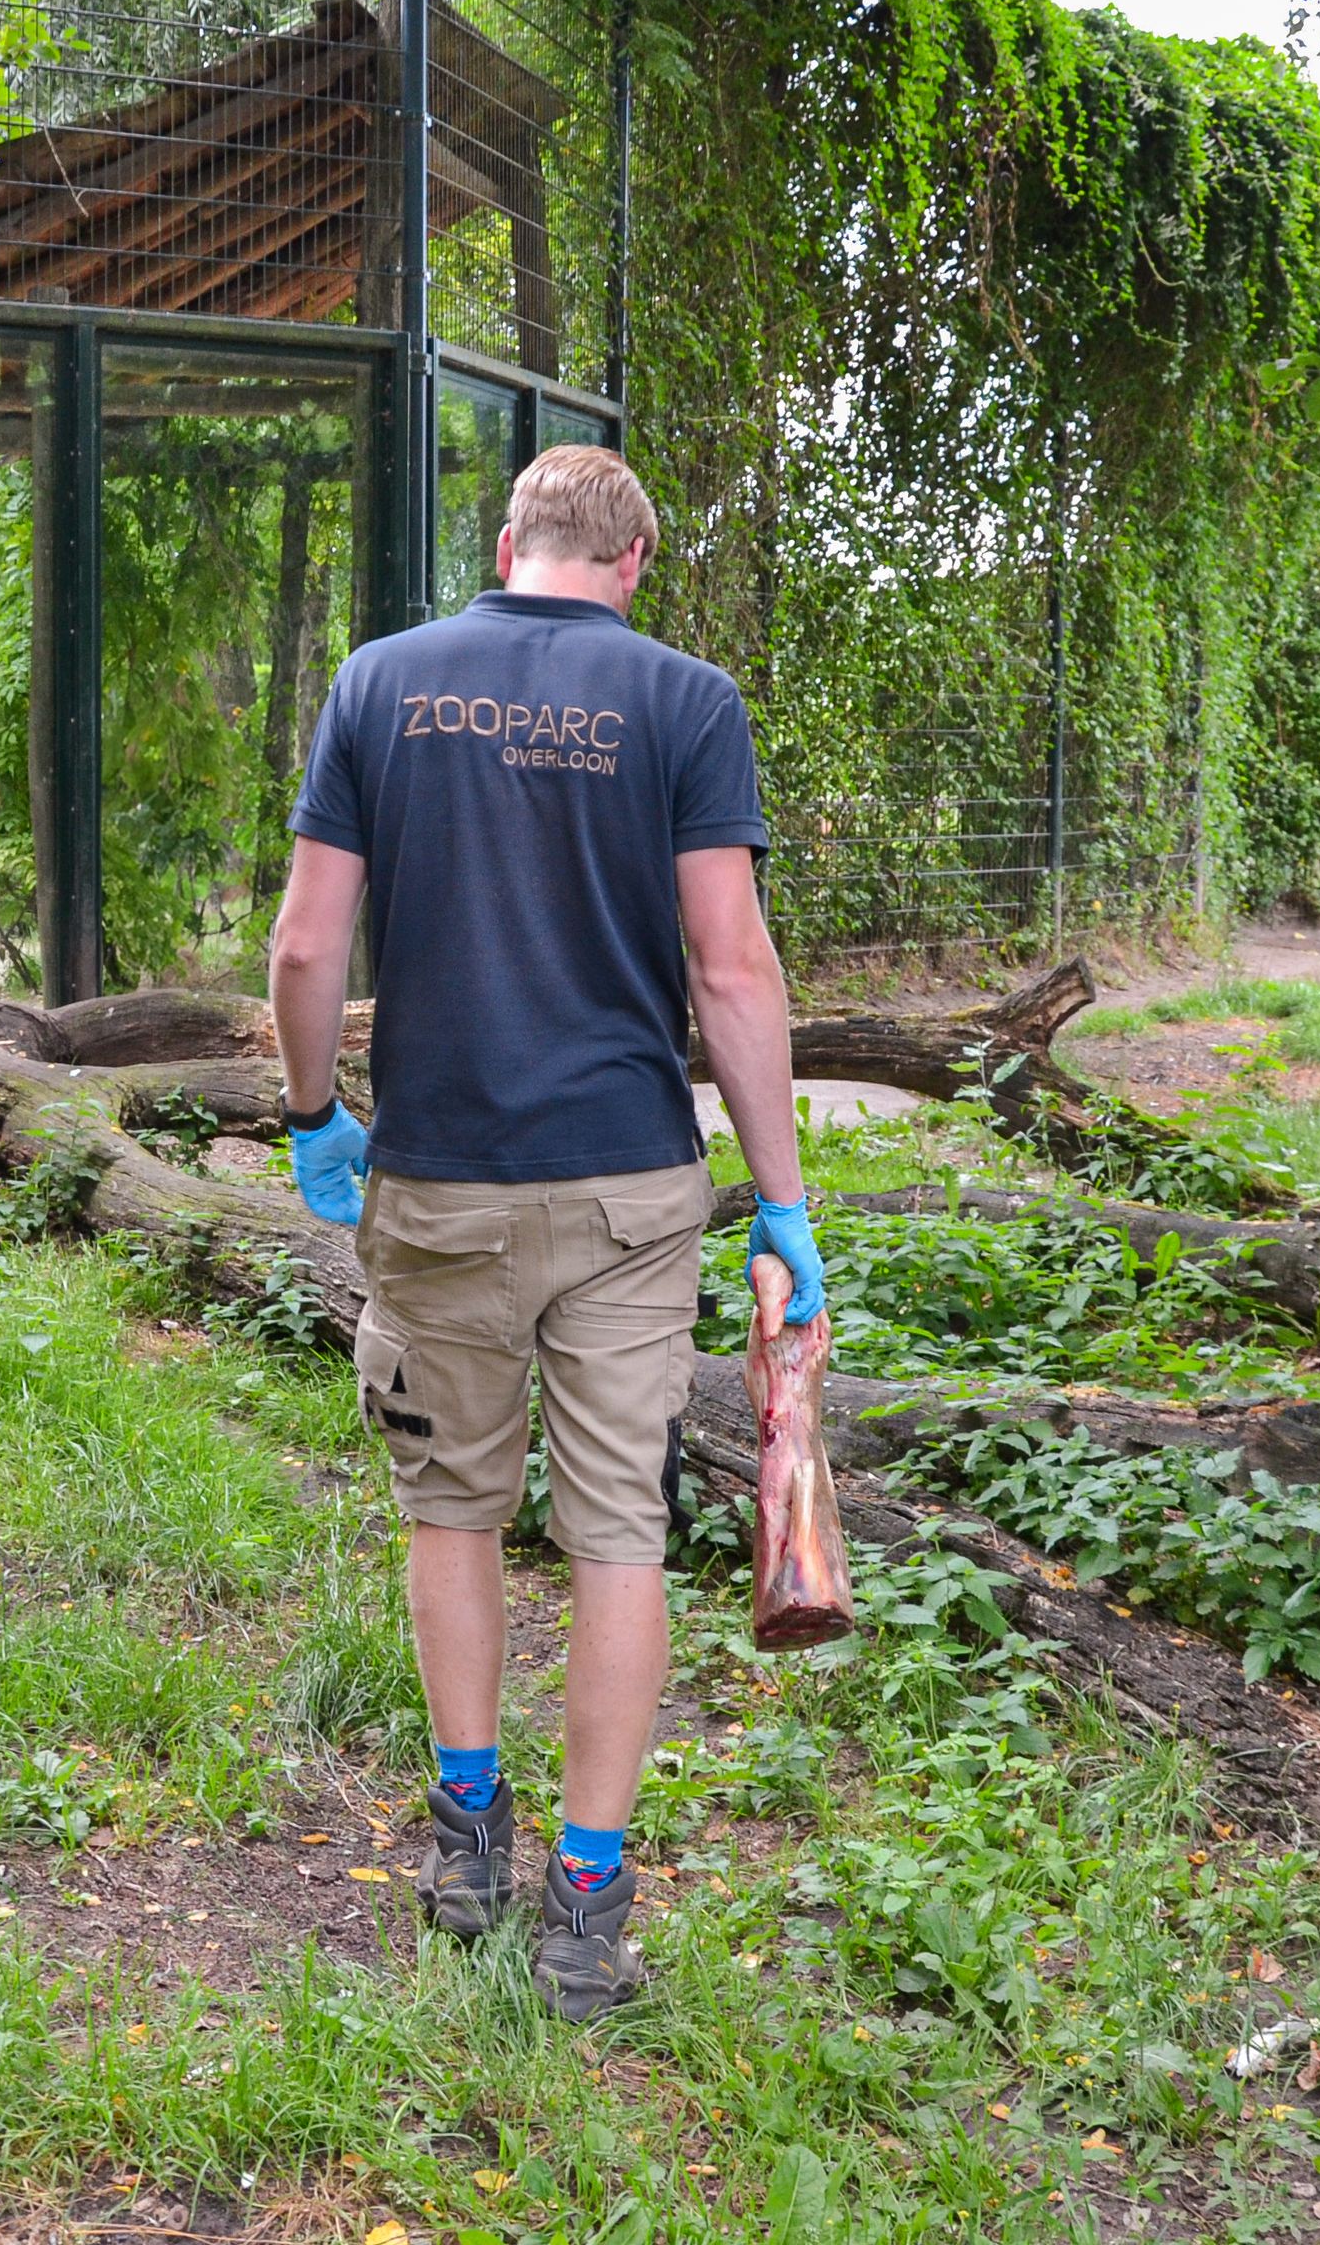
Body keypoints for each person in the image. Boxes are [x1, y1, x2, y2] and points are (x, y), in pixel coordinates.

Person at [266, 442, 821, 2022]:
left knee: (452, 1507)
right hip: (629, 1188)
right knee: (617, 1532)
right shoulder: (687, 703)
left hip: (437, 1177)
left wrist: (317, 1117)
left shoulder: (382, 683)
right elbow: (730, 972)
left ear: (507, 542)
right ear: (634, 564)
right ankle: (589, 1895)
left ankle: (464, 1834)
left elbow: (308, 946)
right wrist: (780, 1202)